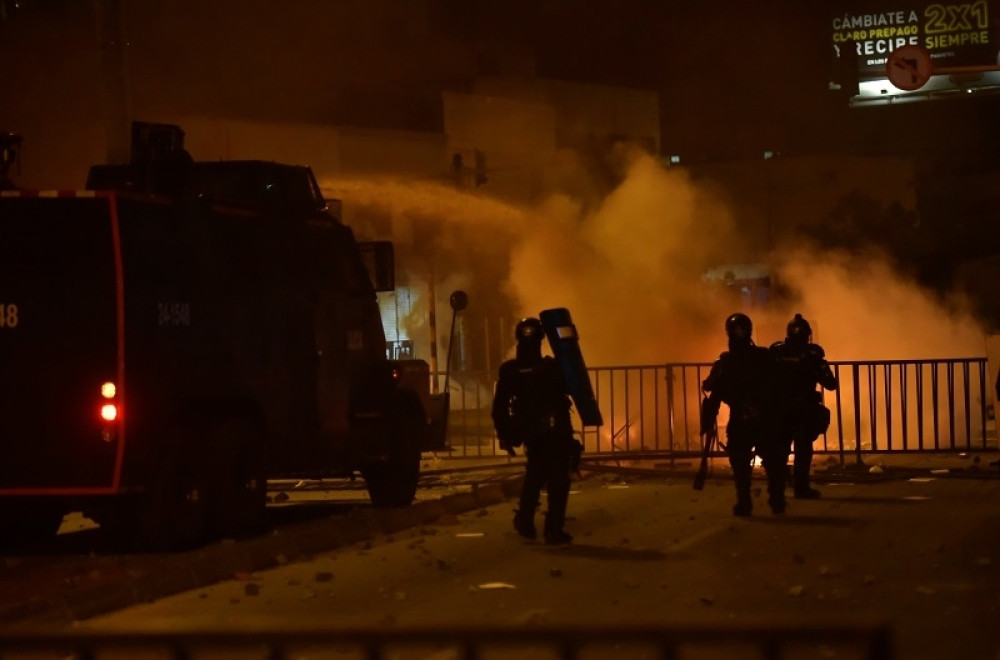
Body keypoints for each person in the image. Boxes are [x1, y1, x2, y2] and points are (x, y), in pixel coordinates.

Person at [491, 317, 577, 544]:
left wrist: (505, 434)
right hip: (552, 431)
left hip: (539, 432)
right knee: (555, 479)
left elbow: (499, 408)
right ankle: (550, 528)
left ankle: (528, 521)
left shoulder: (513, 371)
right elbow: (572, 387)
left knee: (536, 475)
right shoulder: (550, 367)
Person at [701, 312, 786, 516]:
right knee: (771, 462)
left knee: (743, 465)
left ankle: (747, 503)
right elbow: (779, 386)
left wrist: (708, 421)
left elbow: (713, 392)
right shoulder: (762, 357)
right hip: (761, 418)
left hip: (744, 418)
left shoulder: (727, 362)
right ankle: (775, 500)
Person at [770, 313, 839, 499]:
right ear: (807, 334)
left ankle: (777, 488)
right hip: (803, 408)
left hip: (781, 408)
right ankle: (801, 488)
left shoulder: (776, 352)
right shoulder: (813, 354)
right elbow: (831, 384)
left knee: (780, 449)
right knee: (803, 449)